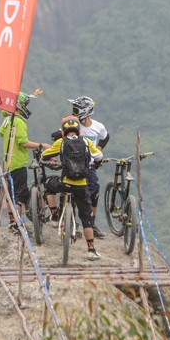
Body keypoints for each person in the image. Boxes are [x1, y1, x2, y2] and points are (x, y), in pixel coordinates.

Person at [41, 115, 104, 261]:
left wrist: (52, 161)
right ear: (78, 130)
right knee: (86, 219)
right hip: (82, 186)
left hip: (65, 183)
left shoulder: (61, 142)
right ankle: (91, 250)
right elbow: (99, 156)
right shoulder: (86, 142)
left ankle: (55, 215)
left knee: (48, 183)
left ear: (63, 131)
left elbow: (45, 155)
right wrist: (97, 163)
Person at [0, 92, 46, 235]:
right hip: (18, 163)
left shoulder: (6, 120)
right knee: (21, 195)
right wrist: (41, 145)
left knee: (9, 194)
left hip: (7, 163)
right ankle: (17, 224)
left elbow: (1, 133)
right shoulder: (18, 121)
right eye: (25, 104)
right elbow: (23, 142)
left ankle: (12, 221)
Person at [68, 96, 109, 238]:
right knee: (72, 191)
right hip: (72, 164)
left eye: (76, 109)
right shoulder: (73, 125)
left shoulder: (98, 127)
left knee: (94, 190)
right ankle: (71, 222)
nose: (73, 112)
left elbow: (105, 137)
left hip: (89, 165)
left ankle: (91, 222)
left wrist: (98, 148)